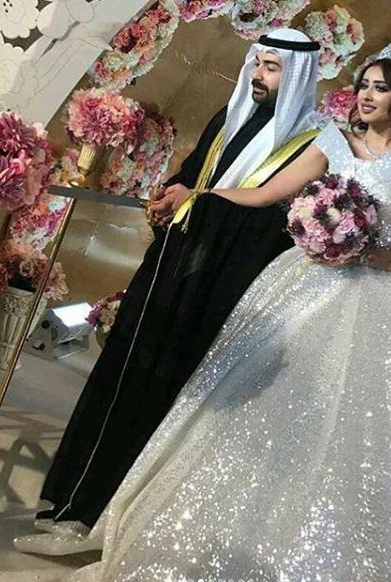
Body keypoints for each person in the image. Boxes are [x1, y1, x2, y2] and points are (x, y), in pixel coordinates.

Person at [17, 45, 391, 582]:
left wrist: (359, 249)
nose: (367, 96)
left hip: (381, 302)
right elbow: (266, 193)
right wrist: (200, 193)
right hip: (301, 287)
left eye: (380, 88)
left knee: (362, 426)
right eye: (364, 84)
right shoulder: (333, 142)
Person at [34, 29, 322, 533]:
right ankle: (74, 495)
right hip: (171, 266)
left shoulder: (310, 146)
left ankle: (115, 515)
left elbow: (276, 226)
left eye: (272, 68)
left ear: (298, 76)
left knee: (168, 393)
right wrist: (172, 195)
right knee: (124, 372)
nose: (257, 76)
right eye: (257, 63)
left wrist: (200, 205)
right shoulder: (228, 116)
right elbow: (191, 176)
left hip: (222, 292)